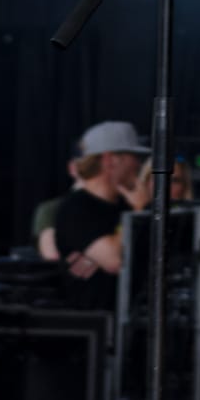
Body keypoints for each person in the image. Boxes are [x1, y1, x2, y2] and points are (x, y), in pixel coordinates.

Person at [44, 121, 149, 287]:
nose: (138, 164)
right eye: (134, 157)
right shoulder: (76, 207)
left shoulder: (125, 204)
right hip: (95, 303)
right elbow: (114, 261)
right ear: (110, 160)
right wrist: (139, 210)